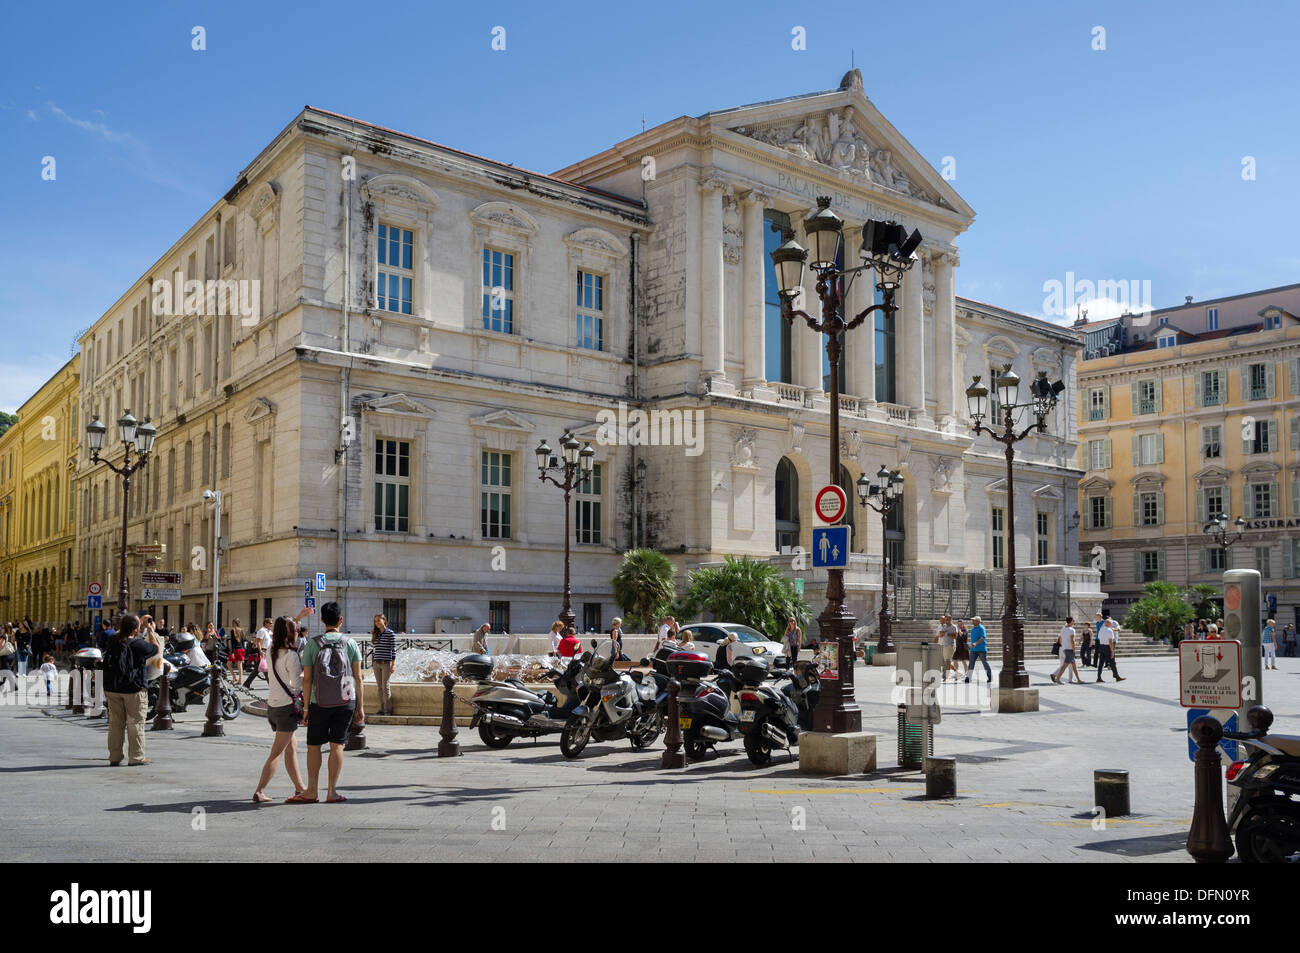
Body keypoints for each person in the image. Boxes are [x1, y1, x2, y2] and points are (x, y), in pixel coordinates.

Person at [291, 602, 363, 804]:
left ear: (322, 620)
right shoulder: (350, 643)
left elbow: (307, 678)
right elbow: (358, 677)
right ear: (341, 620)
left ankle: (312, 790)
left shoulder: (313, 644)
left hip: (318, 701)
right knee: (337, 746)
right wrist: (360, 706)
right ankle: (332, 791)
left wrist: (305, 708)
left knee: (314, 746)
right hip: (345, 699)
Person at [254, 613, 312, 803]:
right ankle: (260, 790)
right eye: (295, 630)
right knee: (277, 751)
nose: (297, 632)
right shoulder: (291, 655)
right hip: (287, 707)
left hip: (273, 705)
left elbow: (284, 625)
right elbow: (296, 685)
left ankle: (300, 787)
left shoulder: (271, 649)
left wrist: (299, 616)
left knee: (291, 748)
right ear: (290, 633)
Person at [101, 614, 159, 766]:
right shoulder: (138, 644)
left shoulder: (112, 640)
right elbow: (156, 649)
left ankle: (115, 756)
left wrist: (133, 624)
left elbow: (120, 634)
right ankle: (136, 757)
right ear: (135, 629)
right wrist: (150, 631)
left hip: (112, 687)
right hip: (134, 688)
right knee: (136, 723)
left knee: (115, 724)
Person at [371, 614, 397, 716]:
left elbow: (393, 650)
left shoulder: (390, 633)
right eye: (375, 621)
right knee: (379, 687)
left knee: (385, 686)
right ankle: (381, 709)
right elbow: (375, 649)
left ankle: (388, 710)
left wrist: (392, 665)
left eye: (379, 620)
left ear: (384, 620)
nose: (377, 623)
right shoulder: (376, 633)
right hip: (376, 663)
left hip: (386, 663)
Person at [1051, 616, 1083, 684]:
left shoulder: (1063, 629)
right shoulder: (1072, 630)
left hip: (1065, 648)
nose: (1074, 622)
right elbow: (1072, 640)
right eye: (1073, 621)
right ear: (1071, 621)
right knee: (1065, 665)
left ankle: (1078, 679)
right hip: (1070, 649)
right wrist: (1074, 649)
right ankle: (1058, 678)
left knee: (1073, 665)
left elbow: (1060, 639)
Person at [1094, 615, 1125, 682]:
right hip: (1107, 647)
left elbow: (1099, 638)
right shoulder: (1109, 630)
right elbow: (1110, 641)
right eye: (1111, 624)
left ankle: (1099, 677)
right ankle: (1117, 676)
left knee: (1101, 663)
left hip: (1101, 646)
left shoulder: (1101, 630)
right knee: (1112, 662)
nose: (1111, 625)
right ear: (1108, 624)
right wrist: (1112, 651)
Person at [246, 618, 273, 689]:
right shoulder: (262, 631)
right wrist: (260, 651)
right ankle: (271, 685)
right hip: (263, 651)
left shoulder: (268, 631)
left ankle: (247, 683)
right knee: (265, 668)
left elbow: (256, 640)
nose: (271, 624)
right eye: (270, 623)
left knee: (257, 670)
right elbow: (258, 641)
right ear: (266, 623)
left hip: (267, 651)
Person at [965, 616, 992, 683]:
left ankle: (990, 677)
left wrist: (975, 643)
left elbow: (982, 638)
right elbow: (973, 640)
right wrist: (970, 646)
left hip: (981, 650)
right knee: (971, 664)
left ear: (978, 621)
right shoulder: (973, 629)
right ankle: (968, 678)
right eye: (972, 620)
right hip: (973, 650)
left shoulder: (981, 628)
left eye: (974, 620)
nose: (972, 621)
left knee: (985, 663)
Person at [936, 615, 958, 681]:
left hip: (950, 646)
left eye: (947, 620)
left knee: (947, 661)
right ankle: (956, 672)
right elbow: (940, 635)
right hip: (944, 646)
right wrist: (942, 634)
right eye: (945, 620)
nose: (946, 621)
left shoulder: (954, 627)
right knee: (946, 662)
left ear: (950, 619)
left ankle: (946, 677)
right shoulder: (944, 626)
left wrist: (947, 634)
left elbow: (955, 636)